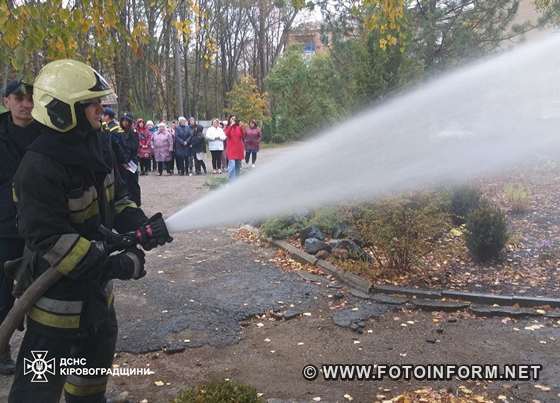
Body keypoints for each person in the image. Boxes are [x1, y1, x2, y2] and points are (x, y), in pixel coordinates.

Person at [8, 59, 172, 403]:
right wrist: (116, 264)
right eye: (93, 104)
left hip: (97, 305)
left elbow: (117, 198)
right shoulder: (38, 166)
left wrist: (139, 224)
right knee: (36, 395)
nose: (102, 110)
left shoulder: (97, 145)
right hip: (56, 313)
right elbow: (48, 237)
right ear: (63, 110)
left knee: (88, 392)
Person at [0, 79, 38, 375]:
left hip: (41, 223)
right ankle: (2, 349)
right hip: (4, 226)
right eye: (19, 98)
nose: (26, 104)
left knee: (44, 288)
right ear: (6, 101)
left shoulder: (46, 133)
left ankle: (44, 351)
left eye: (30, 98)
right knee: (2, 293)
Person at [118, 113, 141, 206]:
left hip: (131, 162)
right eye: (123, 120)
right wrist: (123, 161)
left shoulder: (134, 133)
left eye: (127, 121)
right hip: (123, 163)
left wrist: (127, 161)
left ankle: (136, 201)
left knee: (133, 182)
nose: (125, 123)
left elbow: (134, 147)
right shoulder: (120, 133)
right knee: (125, 182)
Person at [224, 115, 244, 180]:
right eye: (232, 119)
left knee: (237, 166)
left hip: (238, 149)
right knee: (232, 165)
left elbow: (242, 136)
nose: (233, 120)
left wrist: (242, 128)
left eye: (234, 119)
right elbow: (226, 134)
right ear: (229, 119)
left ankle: (237, 180)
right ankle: (232, 181)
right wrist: (231, 126)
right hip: (231, 149)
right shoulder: (228, 127)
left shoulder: (238, 127)